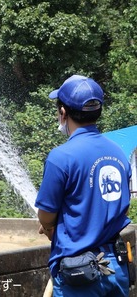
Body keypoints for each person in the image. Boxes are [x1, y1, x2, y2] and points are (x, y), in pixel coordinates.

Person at [35, 75, 132, 296]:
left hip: (80, 274)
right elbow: (120, 208)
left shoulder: (61, 157)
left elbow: (46, 216)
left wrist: (49, 226)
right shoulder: (118, 153)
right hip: (116, 268)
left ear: (63, 113)